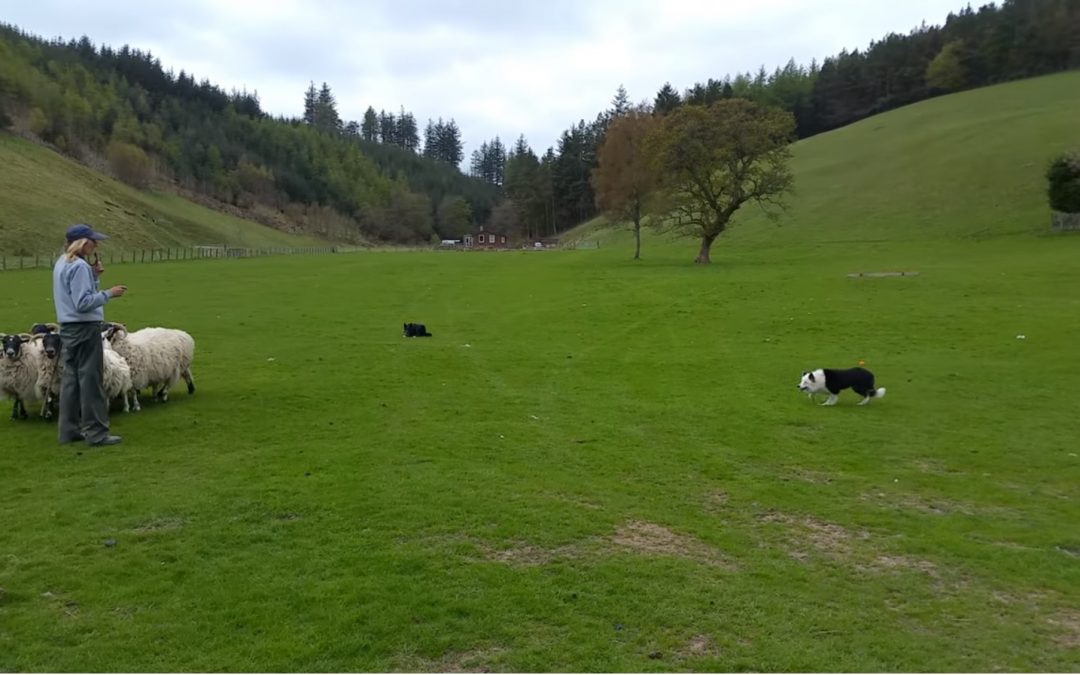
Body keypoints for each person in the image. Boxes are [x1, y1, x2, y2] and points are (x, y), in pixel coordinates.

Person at [52, 224, 127, 446]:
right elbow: (83, 303)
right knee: (91, 380)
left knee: (71, 381)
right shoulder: (79, 267)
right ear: (82, 243)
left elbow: (73, 293)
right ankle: (97, 433)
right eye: (93, 241)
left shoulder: (62, 263)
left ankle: (68, 430)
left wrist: (93, 277)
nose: (96, 245)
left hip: (68, 328)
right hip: (84, 329)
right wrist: (108, 294)